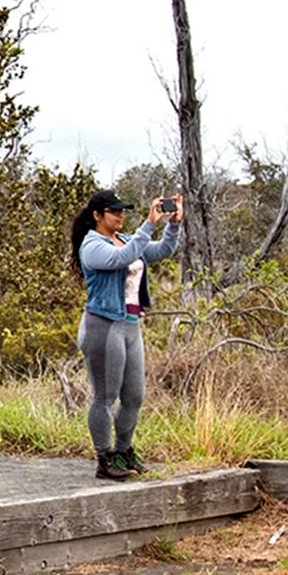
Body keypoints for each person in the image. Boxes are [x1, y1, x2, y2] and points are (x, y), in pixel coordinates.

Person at [71, 188, 183, 482]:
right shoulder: (92, 246)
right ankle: (103, 458)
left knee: (134, 396)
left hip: (130, 324)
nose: (121, 216)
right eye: (114, 211)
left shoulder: (123, 238)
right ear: (98, 216)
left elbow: (161, 251)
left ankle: (123, 450)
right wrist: (148, 224)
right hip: (103, 326)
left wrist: (173, 224)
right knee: (105, 396)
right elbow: (123, 257)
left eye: (122, 211)